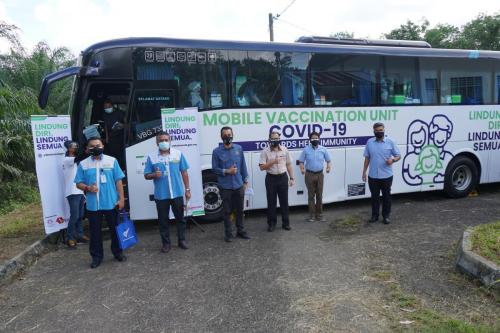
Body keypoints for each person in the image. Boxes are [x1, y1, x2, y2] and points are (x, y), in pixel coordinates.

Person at [75, 137, 126, 268]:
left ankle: (118, 252)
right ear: (87, 149)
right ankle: (96, 257)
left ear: (102, 145)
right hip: (93, 205)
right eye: (92, 146)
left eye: (98, 145)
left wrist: (121, 199)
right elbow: (78, 183)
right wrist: (87, 188)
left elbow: (118, 181)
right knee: (95, 232)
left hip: (111, 203)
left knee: (115, 230)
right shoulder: (83, 164)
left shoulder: (112, 161)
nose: (95, 148)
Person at [144, 131, 190, 253]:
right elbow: (146, 175)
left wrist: (187, 189)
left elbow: (184, 173)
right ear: (157, 142)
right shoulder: (151, 157)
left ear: (170, 141)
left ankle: (181, 240)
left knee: (180, 218)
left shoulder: (178, 154)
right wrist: (154, 174)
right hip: (161, 195)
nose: (164, 142)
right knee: (163, 220)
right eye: (161, 140)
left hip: (177, 193)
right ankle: (166, 243)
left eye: (166, 140)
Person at [212, 126, 250, 242]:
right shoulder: (216, 151)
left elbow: (243, 165)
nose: (227, 137)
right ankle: (228, 234)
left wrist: (246, 180)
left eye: (229, 134)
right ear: (221, 136)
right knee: (227, 211)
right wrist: (227, 171)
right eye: (225, 135)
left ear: (232, 135)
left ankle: (241, 231)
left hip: (238, 185)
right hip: (225, 187)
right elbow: (214, 169)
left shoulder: (238, 149)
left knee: (240, 210)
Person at [362, 122, 401, 224]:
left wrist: (392, 160)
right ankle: (375, 216)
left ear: (384, 130)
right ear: (374, 131)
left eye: (381, 130)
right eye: (377, 130)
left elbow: (398, 156)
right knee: (374, 197)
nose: (379, 132)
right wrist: (364, 172)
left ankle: (386, 216)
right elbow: (367, 158)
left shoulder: (390, 142)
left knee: (386, 197)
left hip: (386, 176)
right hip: (373, 176)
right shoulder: (369, 142)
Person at [259, 131, 295, 231]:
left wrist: (292, 178)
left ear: (280, 139)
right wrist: (272, 162)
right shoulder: (265, 152)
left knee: (284, 202)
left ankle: (286, 223)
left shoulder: (284, 150)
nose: (275, 140)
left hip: (283, 178)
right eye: (273, 139)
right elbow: (262, 167)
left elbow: (288, 165)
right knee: (271, 202)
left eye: (277, 138)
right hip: (271, 178)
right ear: (269, 140)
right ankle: (271, 224)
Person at [298, 132, 332, 222]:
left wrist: (328, 167)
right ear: (310, 140)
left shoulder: (323, 149)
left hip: (320, 175)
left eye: (316, 138)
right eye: (313, 138)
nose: (315, 140)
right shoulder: (306, 150)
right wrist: (302, 168)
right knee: (311, 196)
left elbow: (328, 160)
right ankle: (311, 216)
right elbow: (301, 161)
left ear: (319, 139)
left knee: (319, 195)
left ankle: (319, 215)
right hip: (309, 174)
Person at [62, 140, 88, 249]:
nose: (75, 147)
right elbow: (78, 157)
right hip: (72, 192)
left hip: (79, 191)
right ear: (67, 148)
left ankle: (80, 235)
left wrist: (83, 193)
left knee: (81, 215)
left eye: (75, 145)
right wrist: (86, 152)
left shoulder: (76, 162)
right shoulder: (67, 160)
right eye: (72, 146)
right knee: (75, 216)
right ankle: (69, 238)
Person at [101, 98, 126, 169]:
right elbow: (105, 126)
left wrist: (122, 126)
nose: (107, 108)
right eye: (105, 107)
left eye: (108, 107)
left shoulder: (120, 113)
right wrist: (107, 138)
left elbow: (127, 124)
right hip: (111, 138)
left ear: (112, 106)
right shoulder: (104, 115)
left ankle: (122, 168)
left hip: (120, 137)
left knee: (120, 155)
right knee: (112, 155)